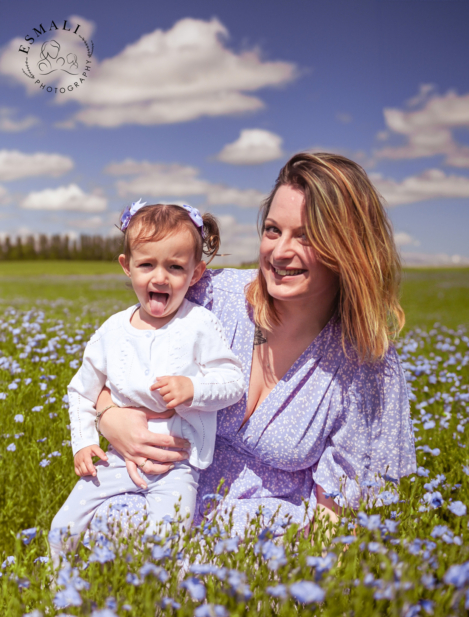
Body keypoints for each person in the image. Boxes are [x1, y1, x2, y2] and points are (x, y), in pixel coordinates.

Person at [93, 153, 416, 538]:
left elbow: (336, 520)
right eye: (273, 230)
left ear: (349, 247)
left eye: (307, 236)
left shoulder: (366, 363)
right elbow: (110, 360)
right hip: (157, 497)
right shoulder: (212, 298)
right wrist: (109, 418)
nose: (280, 252)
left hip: (261, 542)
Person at [49, 202, 245, 562]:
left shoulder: (199, 324)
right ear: (127, 266)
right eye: (146, 264)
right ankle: (57, 604)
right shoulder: (111, 331)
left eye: (175, 267)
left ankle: (158, 615)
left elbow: (233, 381)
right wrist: (83, 443)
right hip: (117, 458)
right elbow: (81, 391)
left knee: (165, 545)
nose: (159, 277)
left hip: (177, 465)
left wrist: (194, 390)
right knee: (62, 530)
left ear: (196, 273)